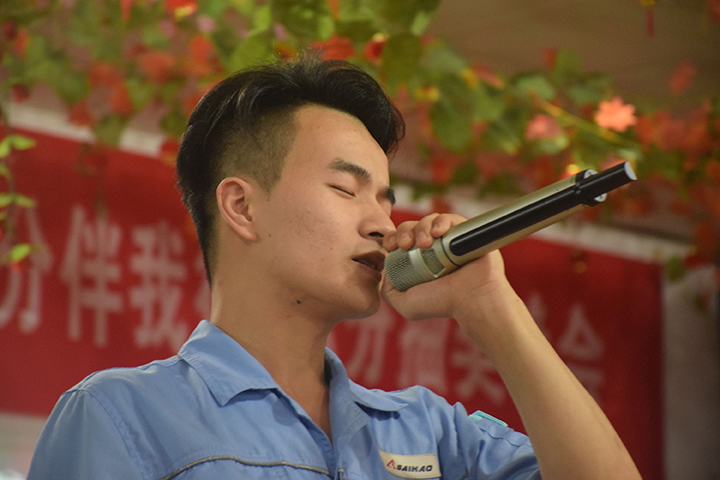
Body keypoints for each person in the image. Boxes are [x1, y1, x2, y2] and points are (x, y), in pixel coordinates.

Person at [28, 56, 641, 479]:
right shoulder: (122, 414)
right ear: (241, 207)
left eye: (386, 200)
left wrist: (490, 304)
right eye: (347, 190)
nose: (381, 223)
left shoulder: (427, 432)